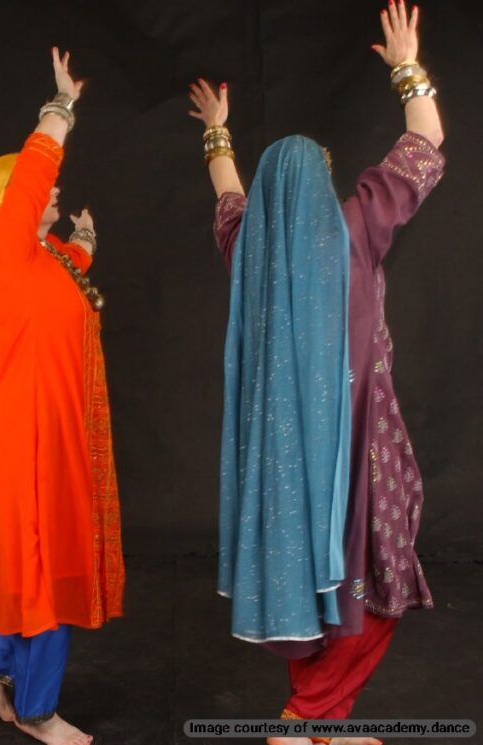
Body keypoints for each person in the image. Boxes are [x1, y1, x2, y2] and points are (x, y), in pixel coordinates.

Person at [188, 3, 444, 743]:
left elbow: (228, 192)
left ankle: (322, 720)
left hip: (288, 472)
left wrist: (217, 129)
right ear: (326, 181)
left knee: (321, 586)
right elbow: (426, 142)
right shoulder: (355, 228)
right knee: (379, 582)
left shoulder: (250, 257)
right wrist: (406, 62)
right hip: (360, 453)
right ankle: (306, 719)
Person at [0, 48, 124, 745]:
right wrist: (60, 108)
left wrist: (85, 243)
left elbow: (71, 277)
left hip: (57, 432)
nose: (53, 188)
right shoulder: (2, 249)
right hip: (28, 435)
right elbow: (39, 168)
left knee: (36, 562)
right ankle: (38, 710)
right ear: (11, 202)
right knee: (39, 567)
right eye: (37, 188)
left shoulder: (48, 260)